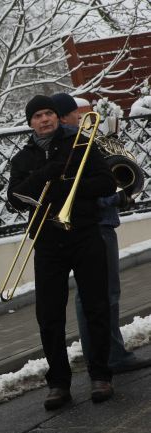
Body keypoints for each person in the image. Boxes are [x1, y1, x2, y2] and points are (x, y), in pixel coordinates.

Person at [7, 95, 116, 410]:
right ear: (30, 123)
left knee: (96, 305)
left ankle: (100, 375)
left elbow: (106, 184)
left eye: (49, 114)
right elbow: (16, 197)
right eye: (38, 115)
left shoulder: (81, 144)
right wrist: (47, 175)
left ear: (57, 117)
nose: (44, 119)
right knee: (49, 316)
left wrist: (67, 187)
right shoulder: (23, 158)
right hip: (47, 240)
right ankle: (58, 384)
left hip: (84, 234)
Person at [51, 92, 151, 374]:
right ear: (63, 117)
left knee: (92, 295)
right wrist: (116, 198)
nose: (80, 117)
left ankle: (103, 353)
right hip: (97, 225)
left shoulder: (71, 144)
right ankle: (110, 355)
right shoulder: (77, 145)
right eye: (75, 113)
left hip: (93, 225)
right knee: (104, 294)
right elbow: (89, 190)